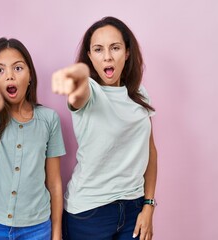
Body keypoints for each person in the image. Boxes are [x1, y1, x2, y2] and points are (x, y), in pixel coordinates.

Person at [52, 16, 158, 240]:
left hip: (134, 209)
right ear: (90, 57)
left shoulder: (139, 93)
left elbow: (150, 150)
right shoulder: (90, 91)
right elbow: (79, 93)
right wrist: (77, 77)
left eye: (115, 48)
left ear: (127, 52)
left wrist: (149, 204)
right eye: (98, 50)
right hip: (89, 213)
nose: (107, 56)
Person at [0, 37, 66, 240]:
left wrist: (56, 233)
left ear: (30, 75)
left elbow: (54, 183)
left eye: (18, 68)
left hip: (36, 229)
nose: (9, 76)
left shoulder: (49, 119)